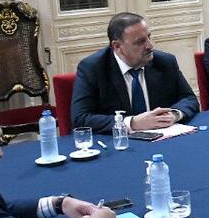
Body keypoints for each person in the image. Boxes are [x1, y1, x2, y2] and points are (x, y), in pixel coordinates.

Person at [70, 12, 200, 134]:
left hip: (163, 139)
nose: (150, 45)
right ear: (117, 46)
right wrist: (132, 123)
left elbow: (189, 99)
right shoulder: (93, 68)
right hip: (118, 145)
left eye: (149, 37)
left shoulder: (164, 62)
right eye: (140, 42)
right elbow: (81, 118)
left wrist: (174, 114)